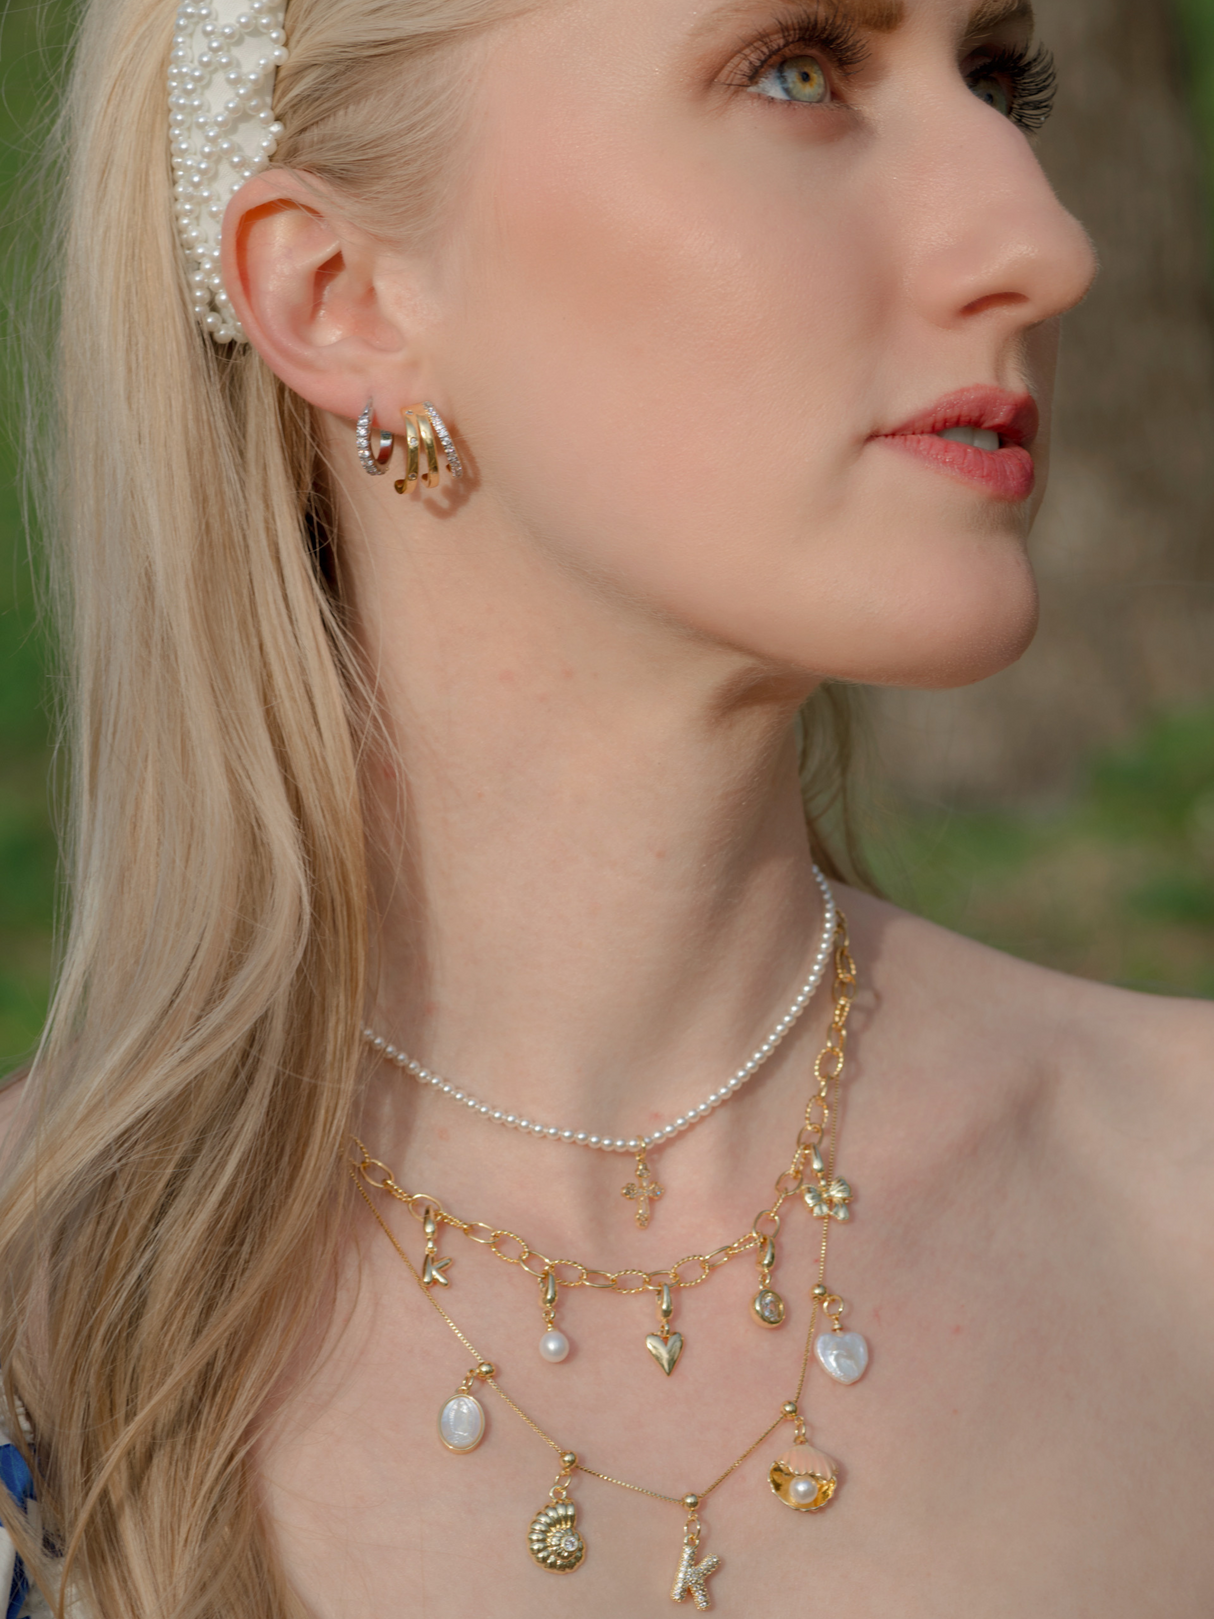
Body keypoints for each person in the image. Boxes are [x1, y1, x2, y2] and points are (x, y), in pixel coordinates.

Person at [1, 0, 1212, 1613]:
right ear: (340, 292)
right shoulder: (33, 1336)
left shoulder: (1184, 1213)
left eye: (999, 79)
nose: (1043, 243)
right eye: (796, 70)